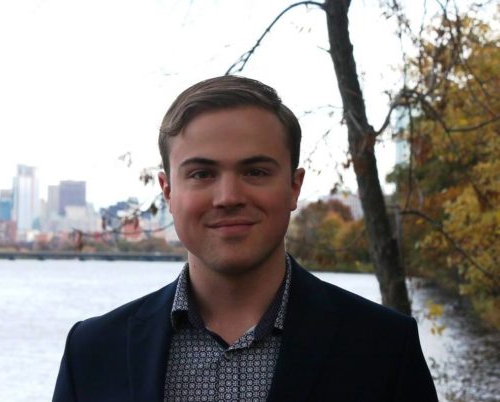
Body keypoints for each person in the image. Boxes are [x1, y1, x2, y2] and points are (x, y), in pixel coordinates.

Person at [53, 76, 438, 402]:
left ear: (294, 187)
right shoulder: (93, 352)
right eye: (202, 174)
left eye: (255, 172)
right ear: (168, 192)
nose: (228, 197)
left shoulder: (383, 348)